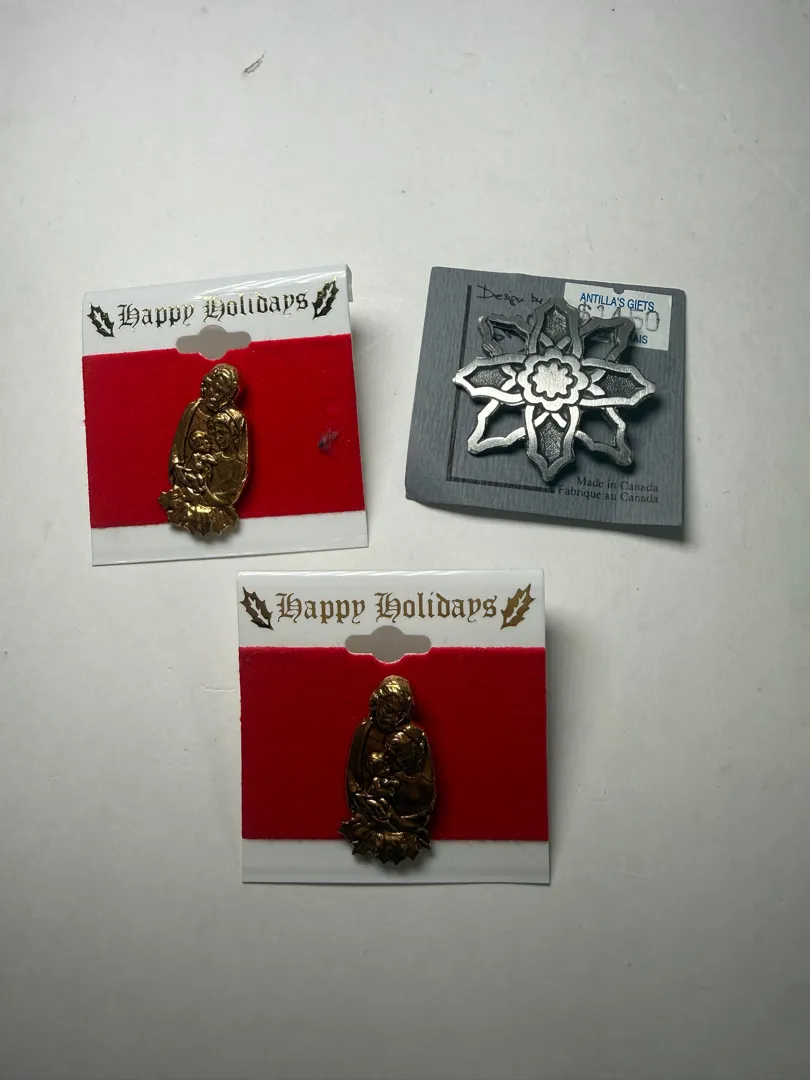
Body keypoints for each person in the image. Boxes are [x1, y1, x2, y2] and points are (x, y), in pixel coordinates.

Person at [340, 675, 436, 865]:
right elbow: (352, 774)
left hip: (405, 813)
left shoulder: (415, 737)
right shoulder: (364, 731)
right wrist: (359, 797)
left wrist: (400, 793)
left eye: (398, 713)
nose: (391, 717)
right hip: (369, 812)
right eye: (388, 709)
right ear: (376, 703)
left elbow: (425, 784)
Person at [158, 363, 248, 537]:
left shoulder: (234, 419)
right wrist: (177, 468)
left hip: (218, 490)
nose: (215, 396)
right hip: (188, 486)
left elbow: (239, 460)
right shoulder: (192, 410)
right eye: (214, 389)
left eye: (222, 393)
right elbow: (178, 446)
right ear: (206, 385)